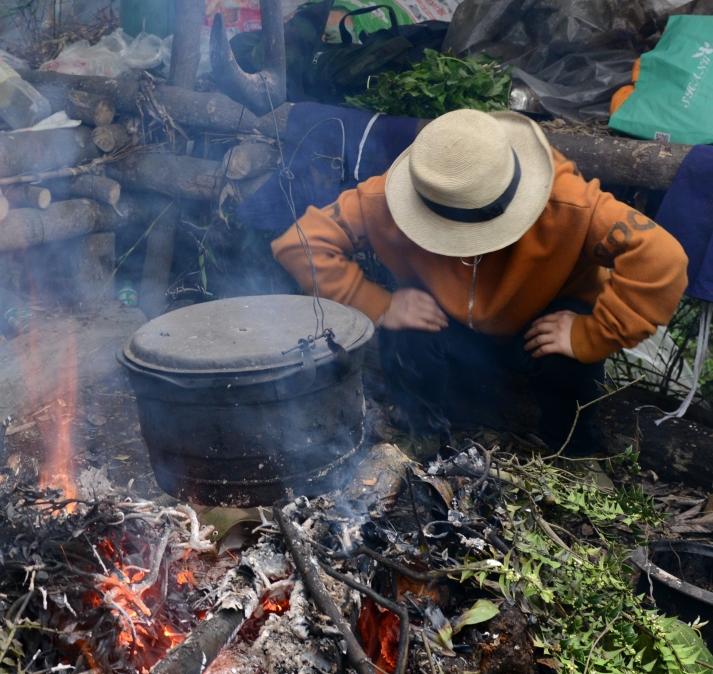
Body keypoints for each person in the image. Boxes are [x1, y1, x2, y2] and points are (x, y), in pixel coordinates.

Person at [271, 107, 686, 454]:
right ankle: (422, 439)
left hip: (541, 323)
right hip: (449, 325)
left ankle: (574, 455)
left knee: (570, 363)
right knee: (406, 332)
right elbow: (301, 243)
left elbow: (661, 258)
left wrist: (591, 334)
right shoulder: (384, 199)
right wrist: (378, 304)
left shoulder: (569, 202)